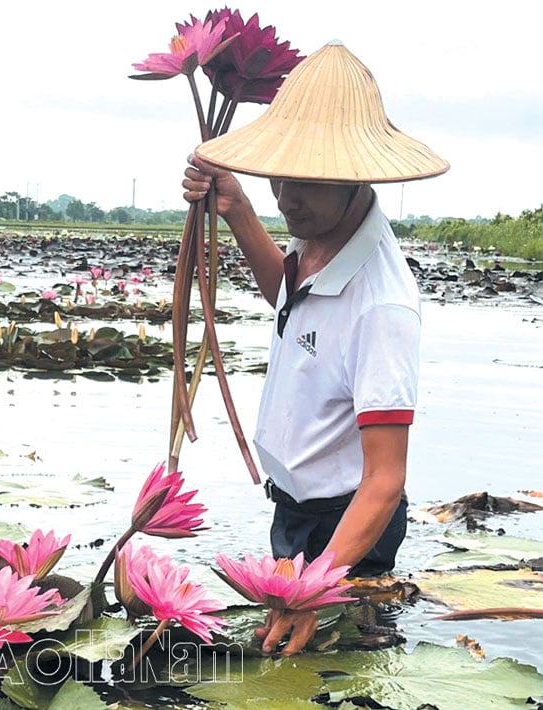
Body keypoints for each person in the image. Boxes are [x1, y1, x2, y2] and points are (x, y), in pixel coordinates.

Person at [182, 41, 448, 655]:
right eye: (279, 173)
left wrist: (316, 585)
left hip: (349, 523)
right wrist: (238, 210)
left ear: (357, 177)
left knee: (340, 671)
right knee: (281, 661)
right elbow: (290, 297)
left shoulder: (381, 305)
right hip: (296, 508)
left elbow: (384, 479)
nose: (285, 194)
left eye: (307, 179)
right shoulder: (322, 240)